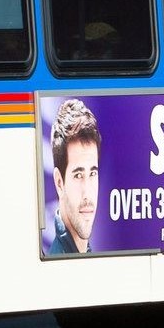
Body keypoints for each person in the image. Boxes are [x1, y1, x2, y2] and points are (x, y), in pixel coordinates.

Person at [46, 98, 102, 255]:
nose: (87, 193)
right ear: (59, 183)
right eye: (78, 175)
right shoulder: (58, 264)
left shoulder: (82, 255)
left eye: (92, 173)